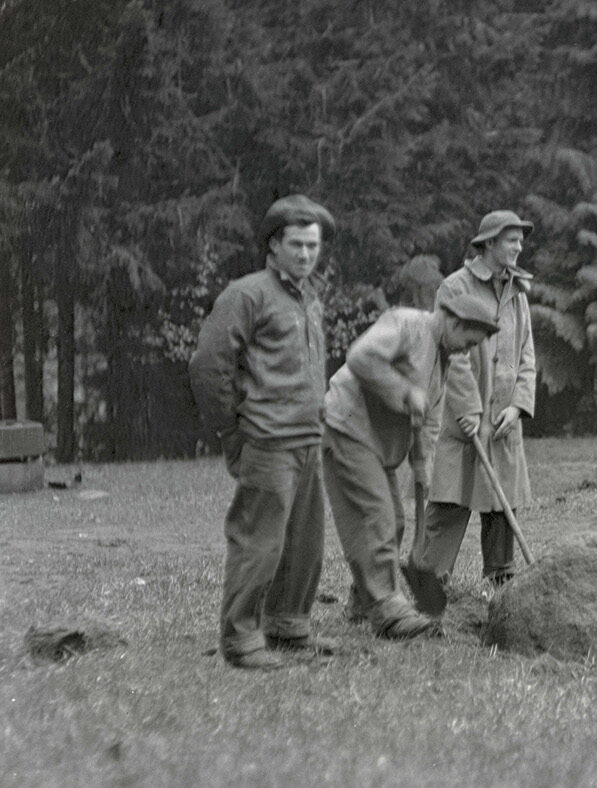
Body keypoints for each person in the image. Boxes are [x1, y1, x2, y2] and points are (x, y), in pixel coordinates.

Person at [189, 195, 339, 670]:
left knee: (304, 543)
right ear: (273, 246)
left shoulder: (309, 297)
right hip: (267, 441)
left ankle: (289, 627)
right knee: (260, 541)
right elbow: (208, 365)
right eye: (296, 244)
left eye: (312, 245)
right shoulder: (246, 294)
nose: (306, 254)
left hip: (309, 439)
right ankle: (241, 639)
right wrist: (230, 431)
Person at [322, 291, 499, 640]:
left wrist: (422, 465)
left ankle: (362, 601)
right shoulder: (407, 324)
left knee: (396, 521)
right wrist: (404, 391)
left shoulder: (443, 359)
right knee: (377, 516)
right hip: (348, 427)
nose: (467, 349)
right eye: (469, 340)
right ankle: (386, 609)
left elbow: (429, 419)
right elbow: (361, 356)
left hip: (379, 445)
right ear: (453, 321)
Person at [411, 210, 536, 592]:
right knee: (450, 500)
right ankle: (426, 587)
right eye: (512, 240)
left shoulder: (517, 292)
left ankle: (502, 583)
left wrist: (518, 405)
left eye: (520, 240)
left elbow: (527, 353)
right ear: (489, 243)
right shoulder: (455, 287)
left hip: (504, 419)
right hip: (462, 419)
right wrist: (469, 410)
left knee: (503, 505)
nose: (519, 247)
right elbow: (454, 353)